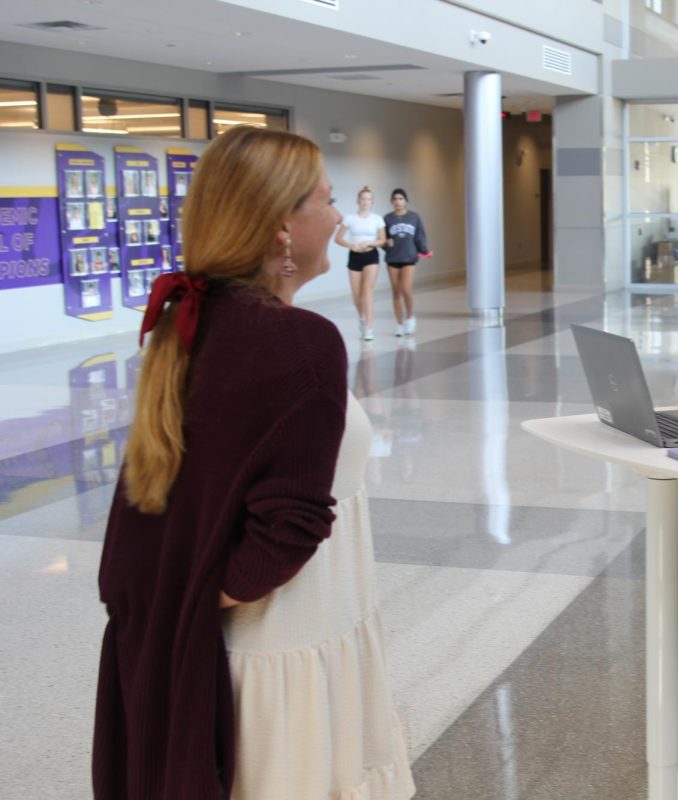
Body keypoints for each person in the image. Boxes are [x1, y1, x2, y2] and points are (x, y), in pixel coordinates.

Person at [92, 126, 415, 800]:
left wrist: (181, 594)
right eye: (324, 201)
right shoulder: (300, 343)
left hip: (243, 649)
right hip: (287, 640)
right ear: (280, 229)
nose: (337, 217)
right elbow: (287, 526)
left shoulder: (192, 323)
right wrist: (204, 588)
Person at [336, 186, 386, 340]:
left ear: (372, 202)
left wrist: (370, 242)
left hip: (371, 255)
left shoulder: (377, 219)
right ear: (358, 201)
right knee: (356, 295)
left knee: (367, 291)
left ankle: (369, 329)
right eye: (363, 198)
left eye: (368, 199)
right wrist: (353, 246)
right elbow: (338, 238)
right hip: (354, 256)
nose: (365, 202)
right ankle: (362, 318)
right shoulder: (350, 218)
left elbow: (382, 240)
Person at [381, 188, 430, 337]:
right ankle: (399, 324)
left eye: (400, 198)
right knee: (396, 292)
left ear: (406, 201)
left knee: (406, 290)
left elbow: (420, 236)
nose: (398, 201)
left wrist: (424, 249)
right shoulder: (387, 219)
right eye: (395, 199)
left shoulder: (414, 217)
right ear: (391, 201)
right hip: (393, 259)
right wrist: (385, 243)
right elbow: (382, 239)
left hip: (409, 258)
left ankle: (410, 317)